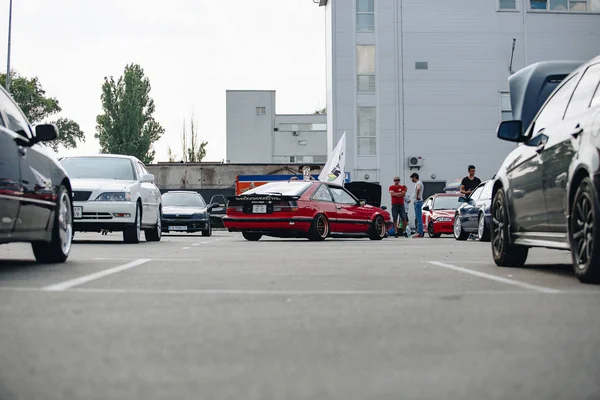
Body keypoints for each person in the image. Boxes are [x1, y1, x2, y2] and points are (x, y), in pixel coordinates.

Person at [410, 173, 425, 238]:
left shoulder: (418, 183)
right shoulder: (419, 182)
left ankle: (420, 232)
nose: (411, 180)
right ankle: (419, 231)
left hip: (418, 202)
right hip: (418, 202)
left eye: (412, 178)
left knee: (419, 218)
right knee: (418, 217)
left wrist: (417, 196)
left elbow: (418, 188)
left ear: (415, 177)